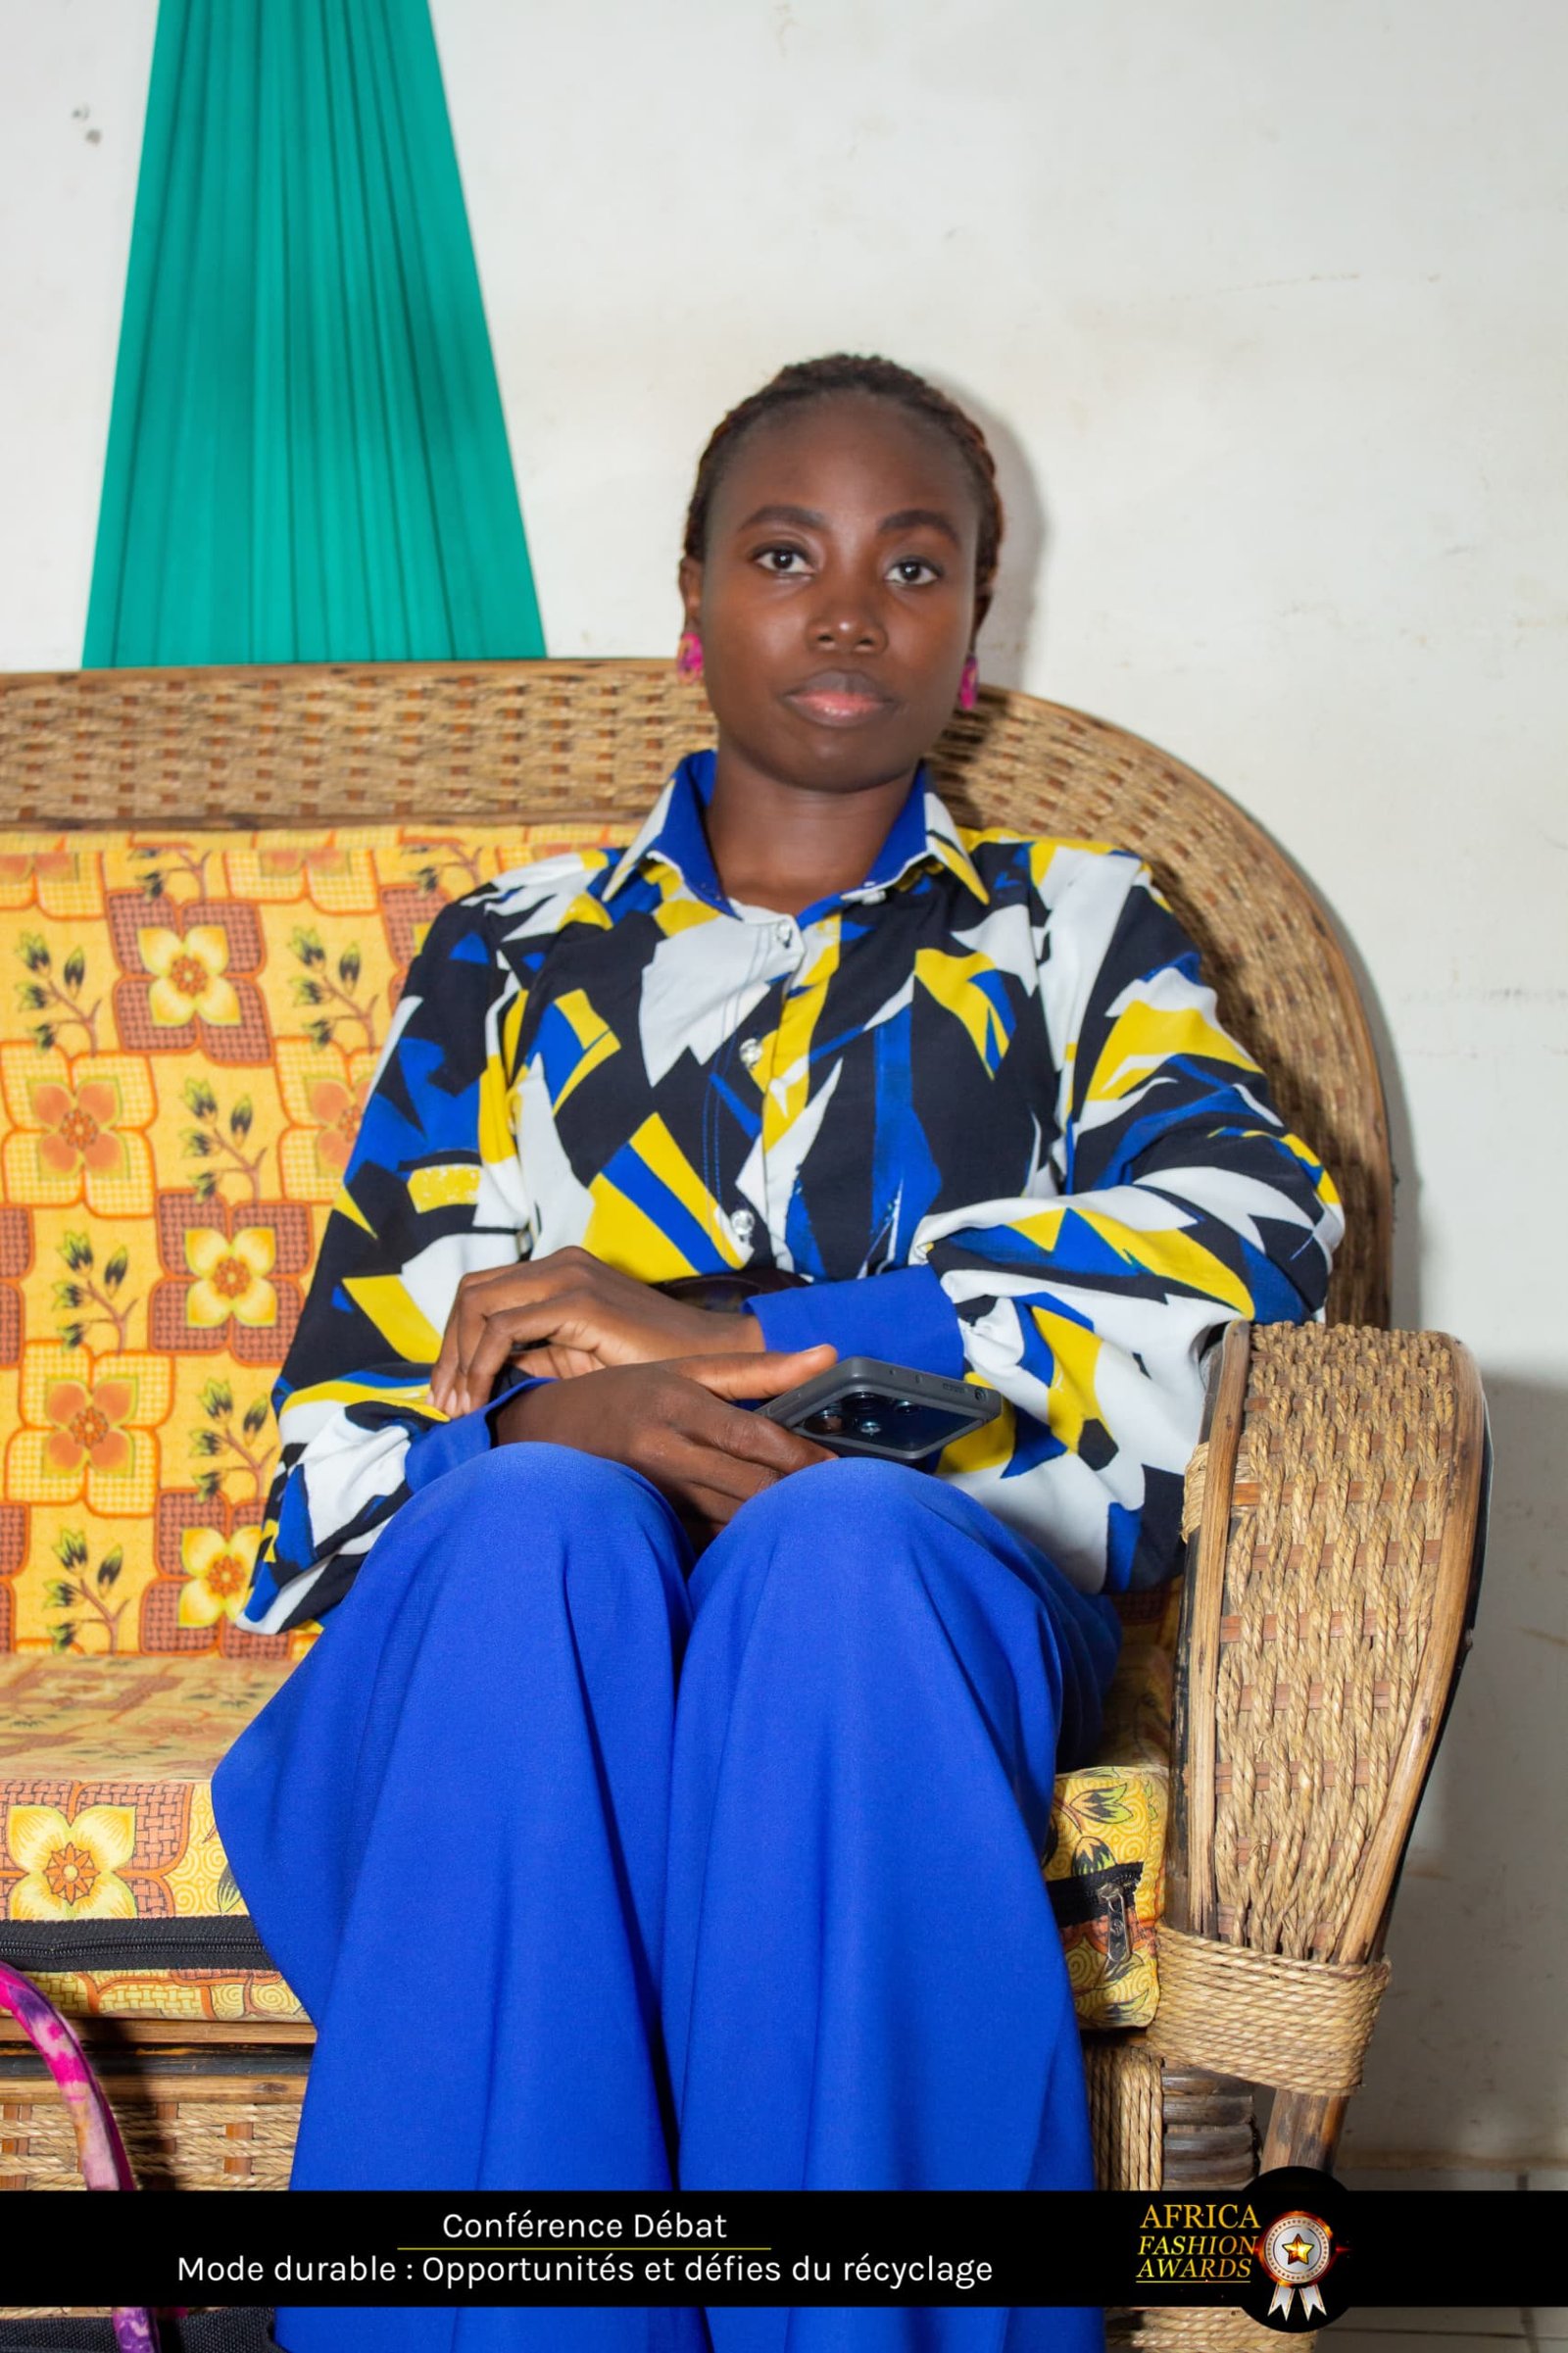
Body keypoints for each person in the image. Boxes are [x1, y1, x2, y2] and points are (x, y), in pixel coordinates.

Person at [214, 355, 1344, 2353]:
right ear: (691, 603)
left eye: (911, 566)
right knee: (535, 1531)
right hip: (525, 1604)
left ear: (972, 632)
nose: (845, 612)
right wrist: (571, 1422)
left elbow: (1255, 1257)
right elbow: (337, 1455)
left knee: (841, 1552)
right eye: (782, 554)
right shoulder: (507, 952)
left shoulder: (1077, 931)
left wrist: (749, 1338)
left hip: (911, 1588)